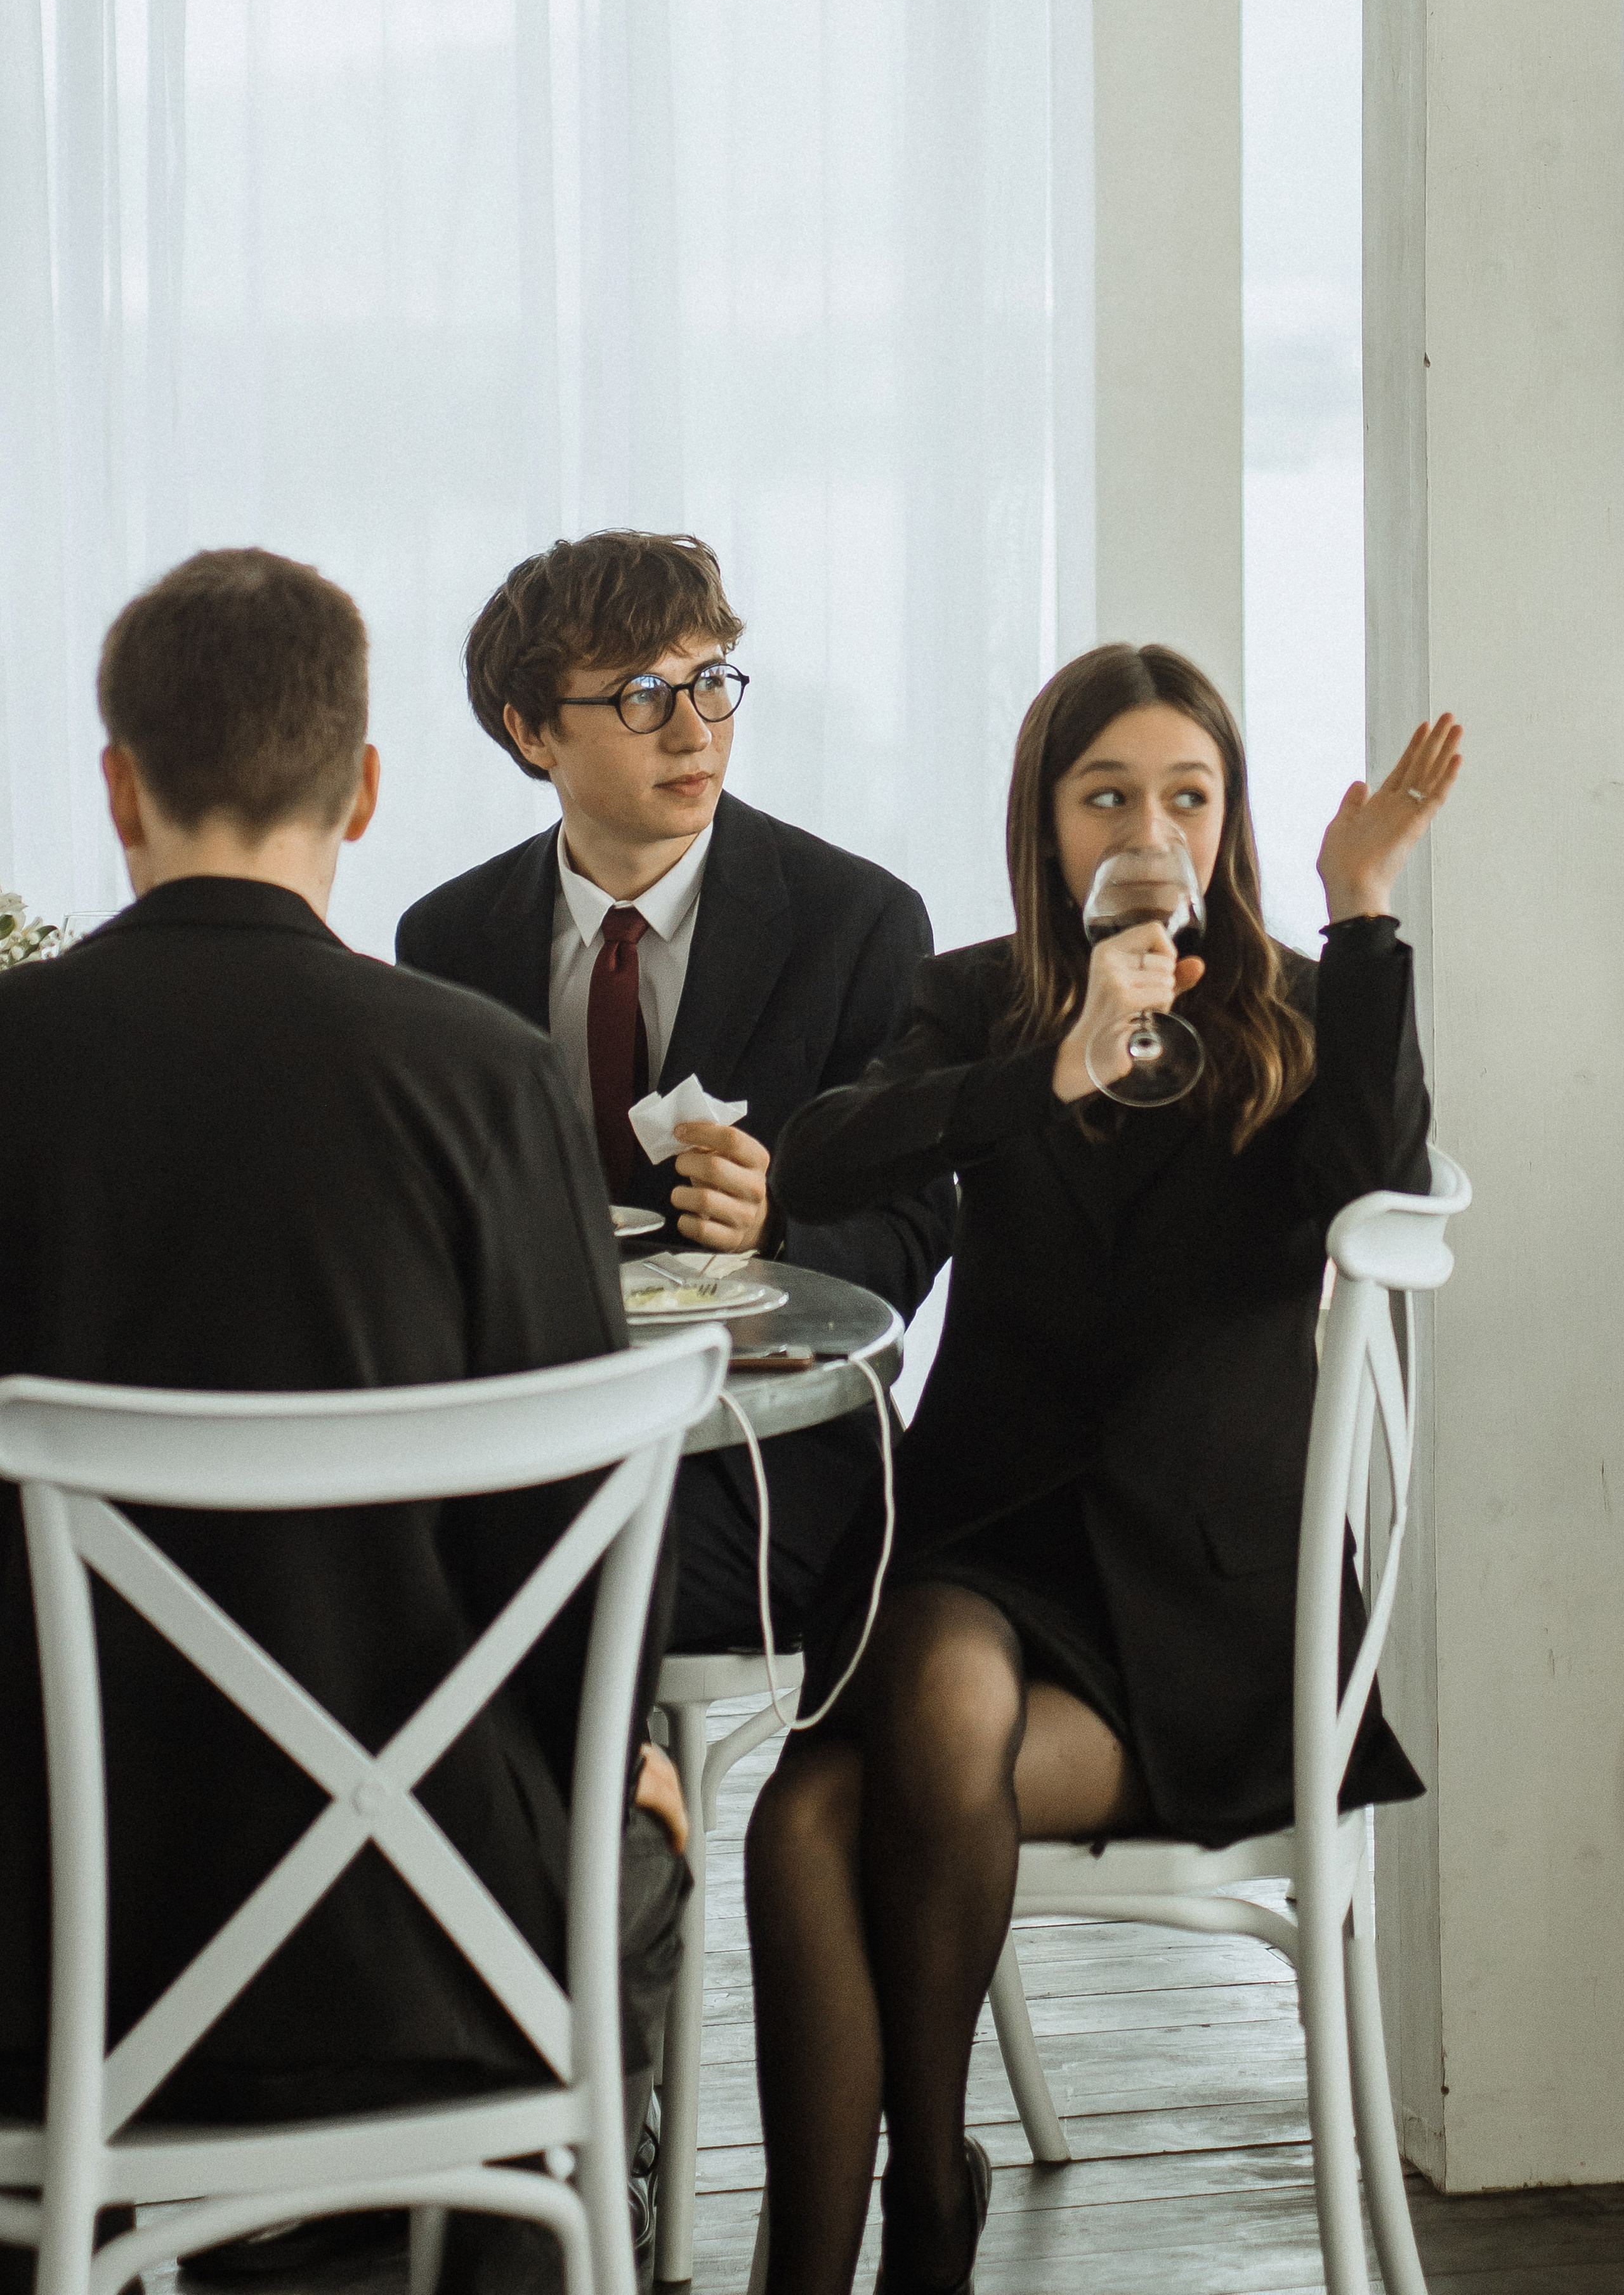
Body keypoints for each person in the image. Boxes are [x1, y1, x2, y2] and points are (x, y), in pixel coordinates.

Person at [0, 549, 686, 2295]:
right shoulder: (481, 1077)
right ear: (366, 789)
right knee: (641, 1810)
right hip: (420, 1959)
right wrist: (621, 1782)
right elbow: (578, 1558)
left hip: (35, 1956)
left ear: (117, 787)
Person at [747, 641, 1464, 2295]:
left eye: (1188, 796)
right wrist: (1052, 1062)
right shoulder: (983, 996)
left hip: (1201, 1624)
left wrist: (1363, 913)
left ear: (1230, 818)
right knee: (827, 1791)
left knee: (838, 1795)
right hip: (992, 1546)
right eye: (1109, 797)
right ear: (1049, 822)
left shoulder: (1288, 999)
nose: (1152, 830)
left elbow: (1385, 1181)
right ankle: (894, 2220)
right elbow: (822, 1156)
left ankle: (923, 2216)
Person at [396, 531, 956, 1654]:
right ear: (530, 729)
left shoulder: (858, 923)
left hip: (767, 1442)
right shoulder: (449, 937)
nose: (697, 730)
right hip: (527, 1432)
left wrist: (780, 1221)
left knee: (575, 1597)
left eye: (711, 682)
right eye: (645, 695)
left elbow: (915, 1222)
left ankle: (615, 1820)